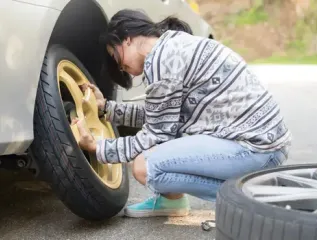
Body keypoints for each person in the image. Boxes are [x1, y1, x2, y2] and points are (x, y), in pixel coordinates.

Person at [73, 9, 291, 218]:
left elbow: (155, 136)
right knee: (161, 146)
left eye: (115, 56)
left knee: (145, 166)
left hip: (255, 149)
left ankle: (252, 197)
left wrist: (99, 147)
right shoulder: (171, 44)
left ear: (126, 38)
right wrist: (107, 108)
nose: (120, 67)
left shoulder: (161, 62)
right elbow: (160, 116)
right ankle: (173, 200)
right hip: (266, 144)